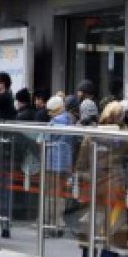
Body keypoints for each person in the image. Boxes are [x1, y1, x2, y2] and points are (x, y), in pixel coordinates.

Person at [73, 101, 128, 257]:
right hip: (115, 186)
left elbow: (81, 163)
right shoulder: (125, 137)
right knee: (113, 227)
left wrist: (83, 176)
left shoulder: (91, 135)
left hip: (93, 185)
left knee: (89, 225)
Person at [43, 95, 76, 236]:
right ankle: (59, 221)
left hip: (52, 160)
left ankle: (49, 221)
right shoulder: (70, 120)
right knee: (61, 192)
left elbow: (42, 139)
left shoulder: (54, 123)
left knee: (50, 192)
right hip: (66, 160)